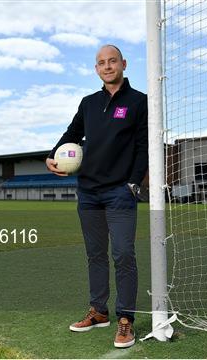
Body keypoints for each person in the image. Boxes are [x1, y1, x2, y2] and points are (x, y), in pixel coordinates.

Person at [46, 44, 148, 348]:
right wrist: (53, 156)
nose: (107, 66)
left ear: (124, 64)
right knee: (95, 255)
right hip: (88, 191)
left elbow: (143, 146)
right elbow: (71, 135)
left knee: (123, 253)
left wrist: (133, 183)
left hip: (120, 191)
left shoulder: (139, 102)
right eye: (101, 63)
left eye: (112, 61)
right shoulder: (88, 103)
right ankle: (98, 311)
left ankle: (125, 320)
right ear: (96, 69)